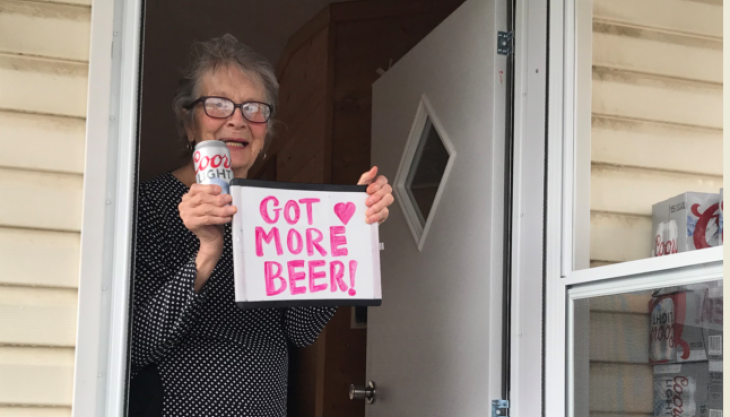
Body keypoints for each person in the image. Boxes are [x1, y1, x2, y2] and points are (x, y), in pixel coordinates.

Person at [130, 34, 394, 416]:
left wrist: (348, 231)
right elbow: (140, 345)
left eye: (255, 109)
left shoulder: (277, 211)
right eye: (218, 105)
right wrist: (206, 254)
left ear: (264, 135)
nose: (238, 119)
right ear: (189, 124)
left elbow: (299, 331)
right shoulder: (149, 205)